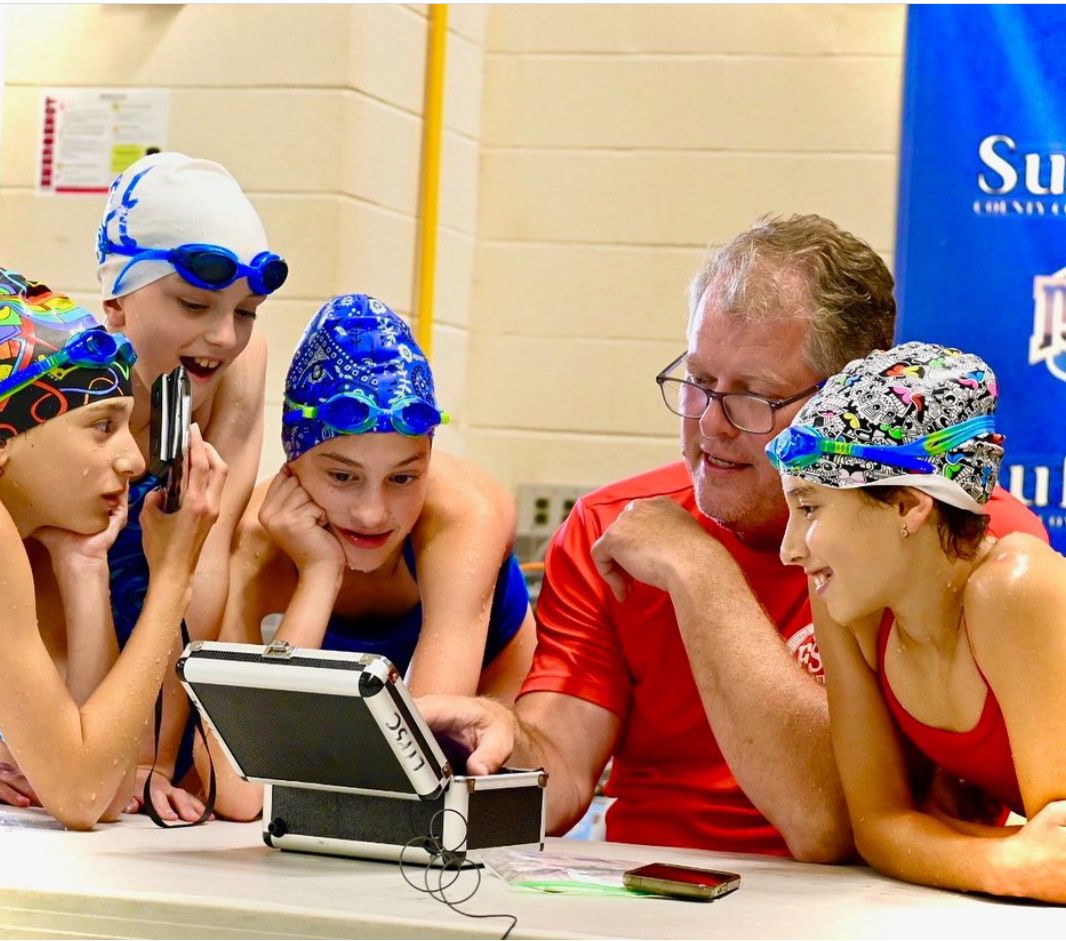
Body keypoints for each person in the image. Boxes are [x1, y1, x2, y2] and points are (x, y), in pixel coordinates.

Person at [420, 214, 1049, 860]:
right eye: (697, 381)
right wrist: (505, 744)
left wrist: (699, 568)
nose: (710, 424)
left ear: (844, 402)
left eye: (753, 395)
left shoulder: (949, 539)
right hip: (649, 895)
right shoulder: (617, 528)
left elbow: (832, 820)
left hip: (860, 905)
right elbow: (559, 774)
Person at [0, 153, 287, 821]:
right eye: (195, 303)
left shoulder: (236, 369)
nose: (225, 335)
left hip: (126, 677)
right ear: (116, 303)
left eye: (247, 311)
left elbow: (203, 585)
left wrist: (153, 761)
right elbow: (81, 792)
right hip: (45, 690)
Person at [0, 266, 225, 829]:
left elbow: (106, 784)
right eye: (102, 426)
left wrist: (85, 565)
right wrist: (174, 578)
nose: (135, 460)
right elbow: (79, 795)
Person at [213, 293, 536, 820]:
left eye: (404, 477)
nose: (372, 513)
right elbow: (240, 793)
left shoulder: (464, 516)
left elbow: (418, 773)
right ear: (293, 462)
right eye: (342, 476)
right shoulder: (255, 542)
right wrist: (319, 574)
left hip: (487, 723)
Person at [767, 340, 1066, 901]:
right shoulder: (848, 608)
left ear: (909, 506)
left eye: (810, 508)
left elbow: (1056, 863)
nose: (789, 550)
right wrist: (1001, 861)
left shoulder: (1016, 590)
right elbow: (876, 828)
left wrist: (946, 845)